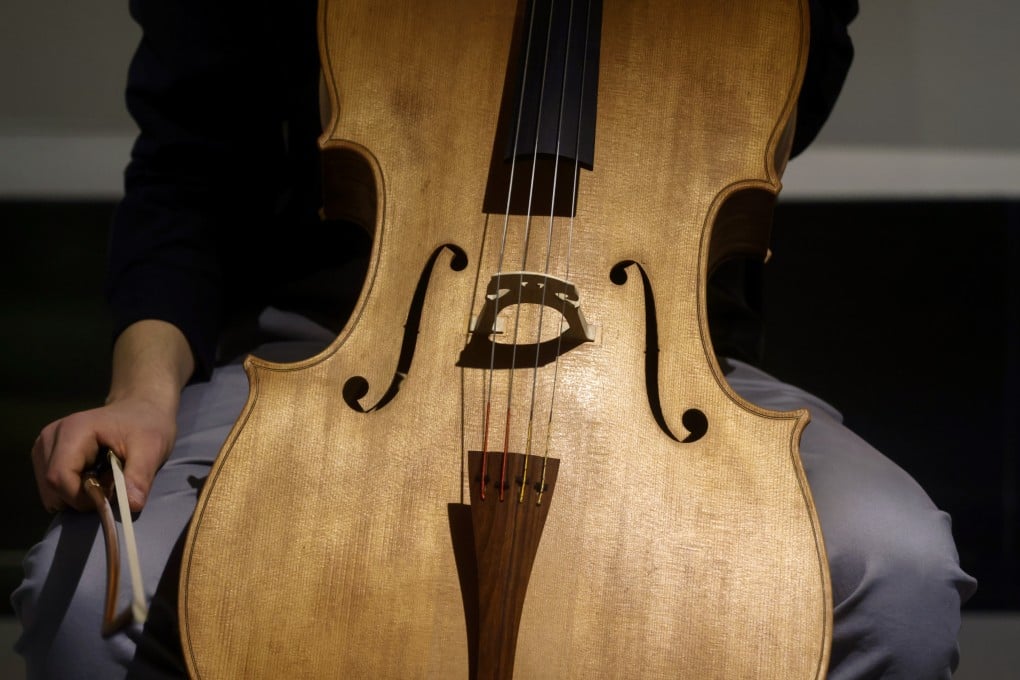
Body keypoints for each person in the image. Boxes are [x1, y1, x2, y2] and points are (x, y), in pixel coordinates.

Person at [14, 1, 975, 678]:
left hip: (648, 358)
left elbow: (773, 98)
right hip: (345, 342)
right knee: (88, 599)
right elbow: (190, 163)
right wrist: (145, 390)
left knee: (898, 574)